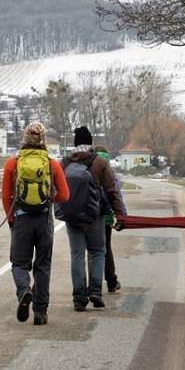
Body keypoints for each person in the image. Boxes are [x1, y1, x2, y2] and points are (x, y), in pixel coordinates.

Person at [1, 122, 69, 325]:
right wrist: (48, 198)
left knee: (19, 264)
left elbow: (5, 195)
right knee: (43, 265)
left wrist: (11, 218)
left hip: (21, 218)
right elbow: (65, 195)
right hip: (43, 219)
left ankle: (24, 291)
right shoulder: (51, 164)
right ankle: (40, 312)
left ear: (24, 138)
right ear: (44, 140)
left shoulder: (13, 164)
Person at [58, 126, 125, 311]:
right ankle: (95, 291)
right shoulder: (99, 163)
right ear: (91, 143)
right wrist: (120, 214)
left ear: (74, 143)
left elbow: (56, 189)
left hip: (72, 217)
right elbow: (112, 191)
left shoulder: (64, 163)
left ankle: (79, 298)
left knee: (77, 255)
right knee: (97, 252)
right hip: (94, 216)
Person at [93, 145, 127, 293]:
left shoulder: (90, 166)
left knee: (92, 251)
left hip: (91, 214)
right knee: (105, 248)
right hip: (106, 216)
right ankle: (111, 281)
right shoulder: (110, 171)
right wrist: (122, 216)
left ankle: (93, 285)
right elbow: (116, 194)